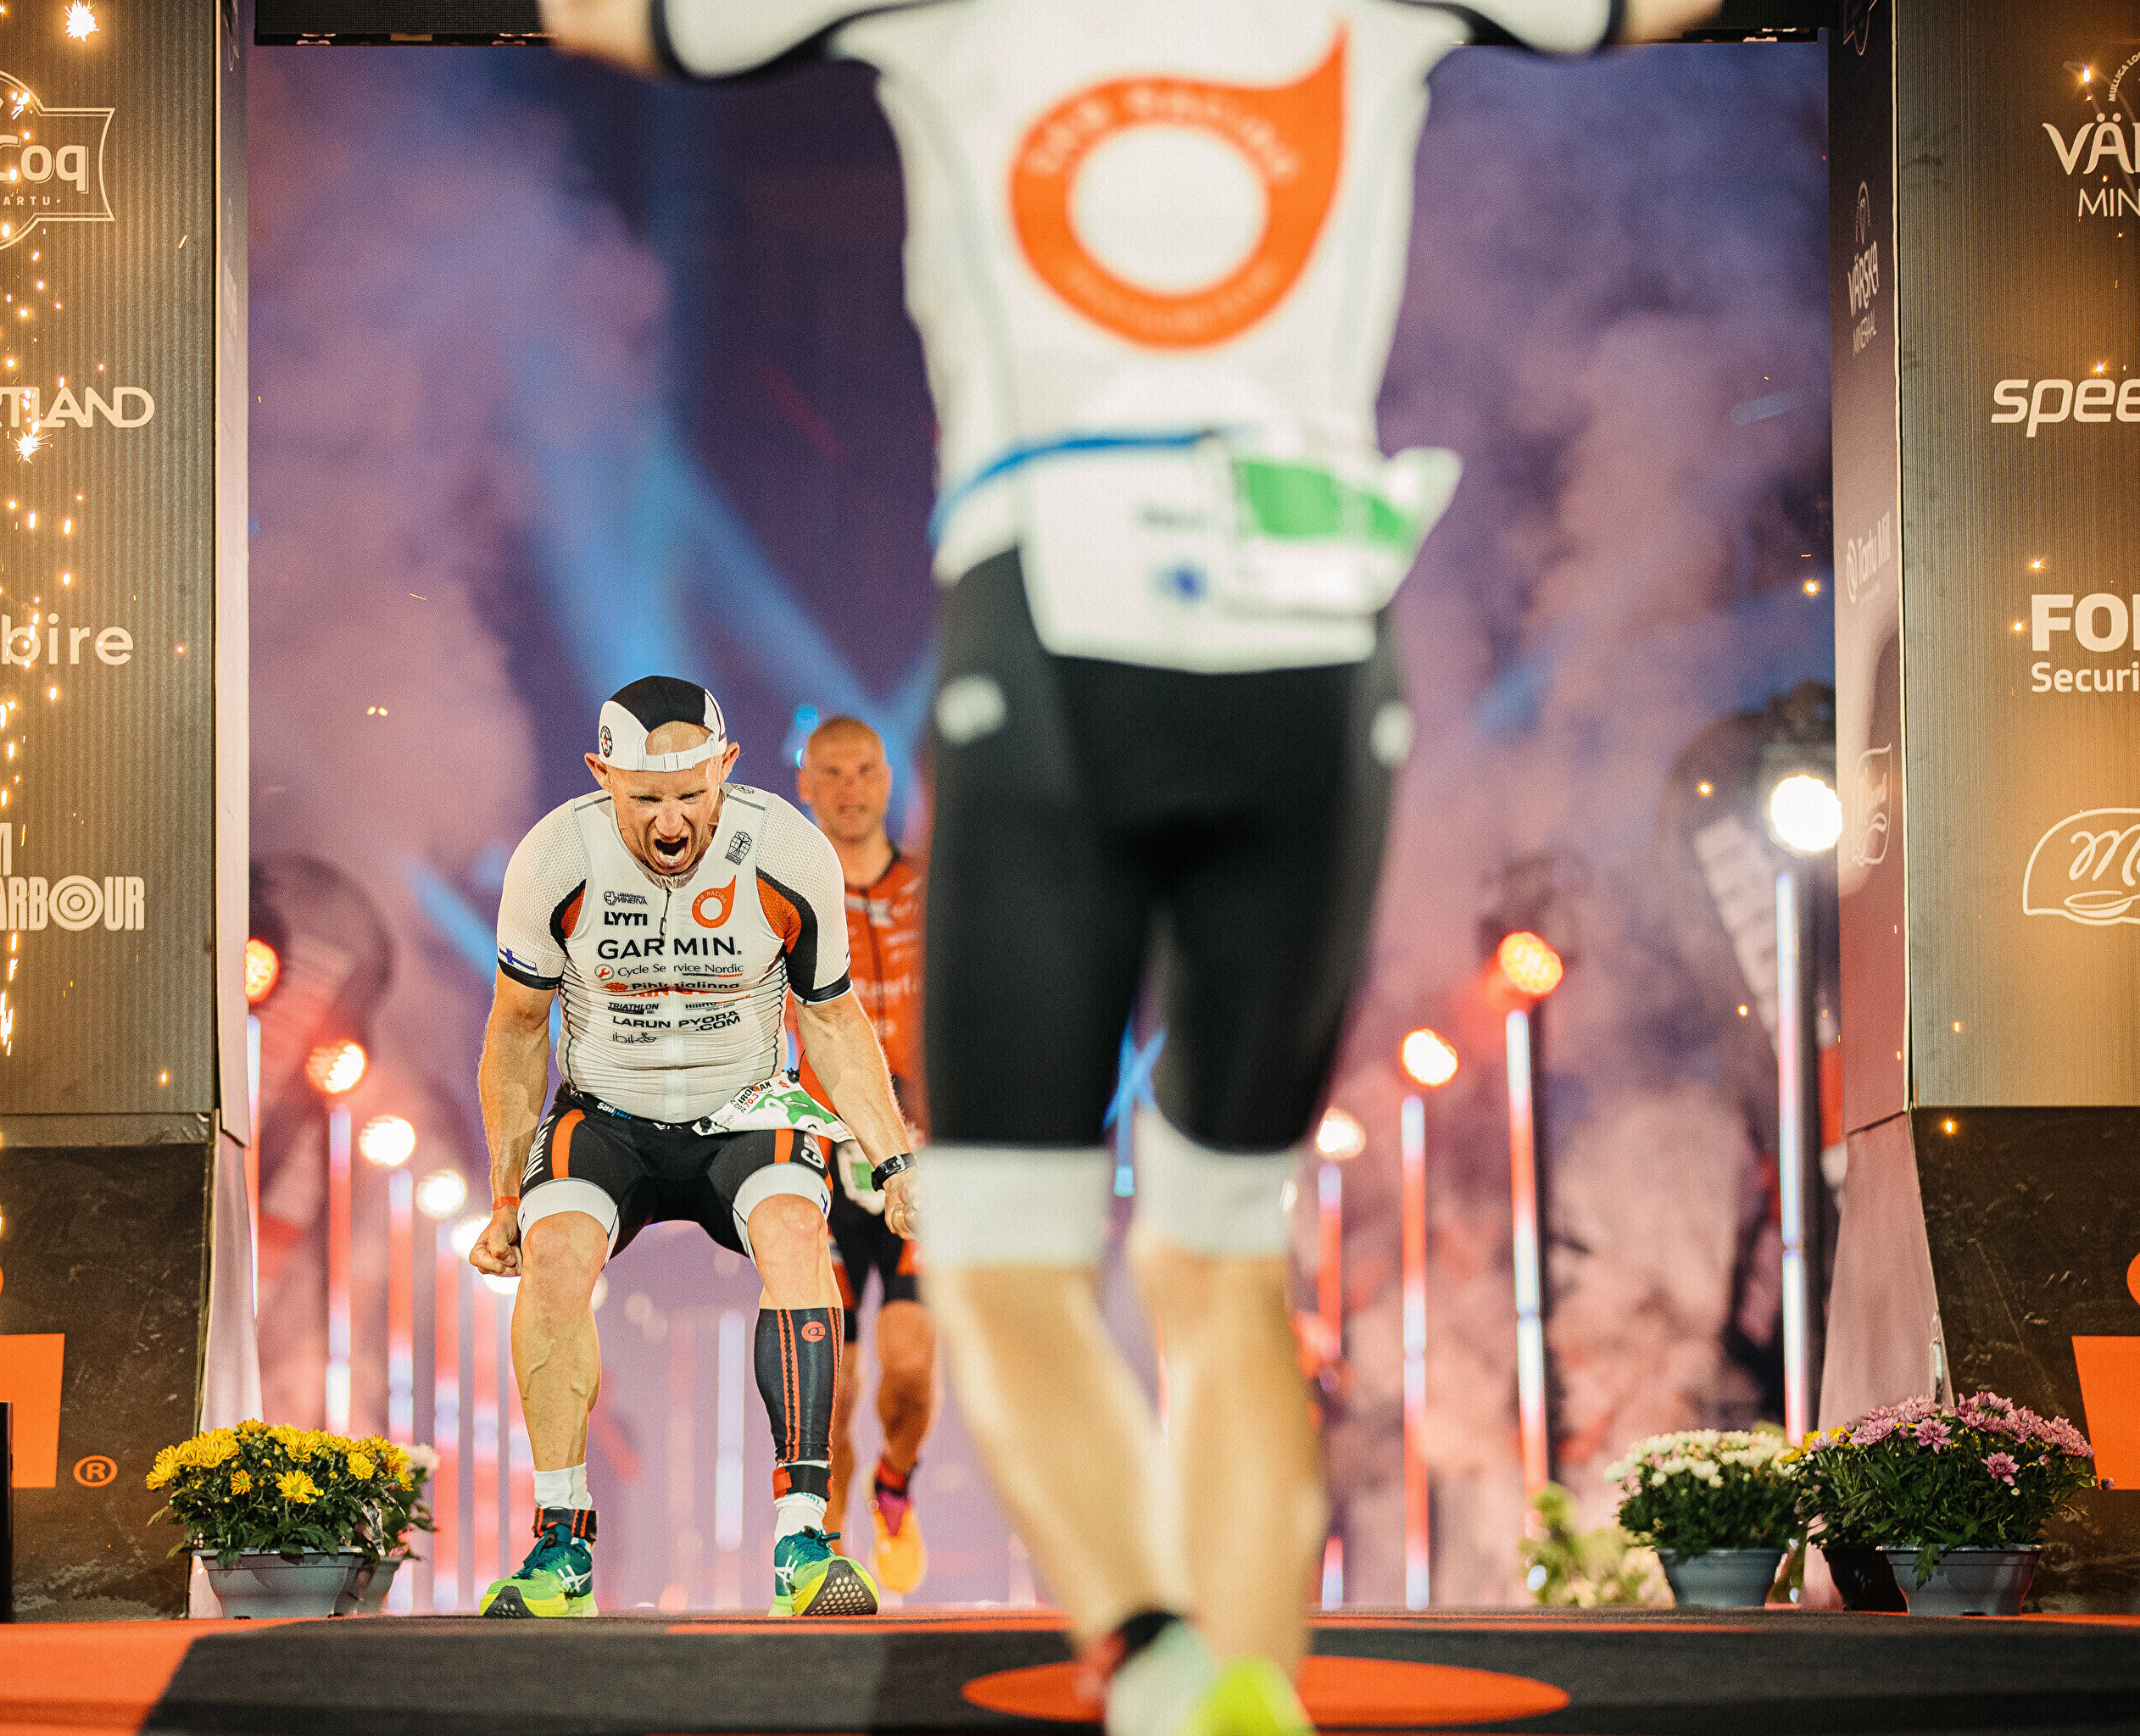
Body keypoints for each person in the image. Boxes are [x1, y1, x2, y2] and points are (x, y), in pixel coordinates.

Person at [543, 2, 1725, 1729]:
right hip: (1316, 648)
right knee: (1220, 1255)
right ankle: (1241, 1692)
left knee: (1008, 1268)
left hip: (1056, 618)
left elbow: (593, 18)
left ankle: (1164, 1663)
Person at [471, 676, 918, 1619]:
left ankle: (806, 1539)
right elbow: (515, 1029)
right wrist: (506, 1196)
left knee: (797, 1233)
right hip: (608, 1113)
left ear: (728, 767)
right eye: (645, 799)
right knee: (555, 1255)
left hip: (745, 1107)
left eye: (691, 795)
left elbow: (832, 1019)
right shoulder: (555, 855)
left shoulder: (787, 849)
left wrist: (895, 1163)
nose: (671, 824)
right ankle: (560, 1544)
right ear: (601, 775)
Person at [788, 716, 933, 1594]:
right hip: (821, 1160)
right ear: (805, 786)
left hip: (924, 1163)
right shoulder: (783, 895)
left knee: (909, 1369)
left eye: (864, 771)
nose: (849, 789)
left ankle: (894, 1487)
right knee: (833, 1387)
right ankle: (828, 1556)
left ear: (888, 780)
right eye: (831, 773)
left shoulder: (932, 890)